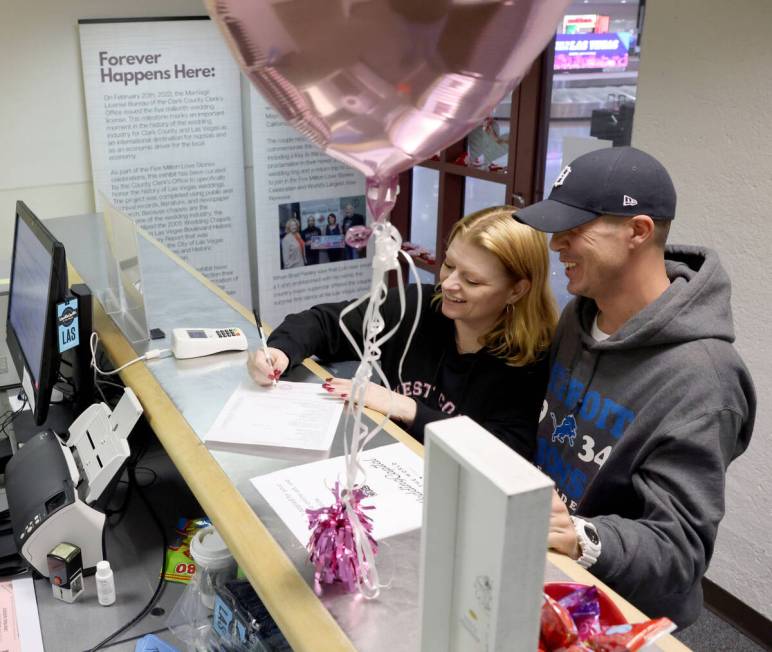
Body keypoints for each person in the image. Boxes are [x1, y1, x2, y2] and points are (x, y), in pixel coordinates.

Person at [513, 146, 755, 627]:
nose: (556, 244)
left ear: (638, 231)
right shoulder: (577, 319)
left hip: (619, 612)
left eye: (574, 229)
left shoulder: (704, 376)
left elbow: (680, 549)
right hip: (546, 570)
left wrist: (581, 536)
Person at [248, 206, 558, 458]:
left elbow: (507, 452)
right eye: (449, 265)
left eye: (473, 281)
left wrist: (407, 408)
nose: (448, 285)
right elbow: (327, 322)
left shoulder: (529, 359)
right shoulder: (418, 304)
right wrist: (279, 351)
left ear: (517, 291)